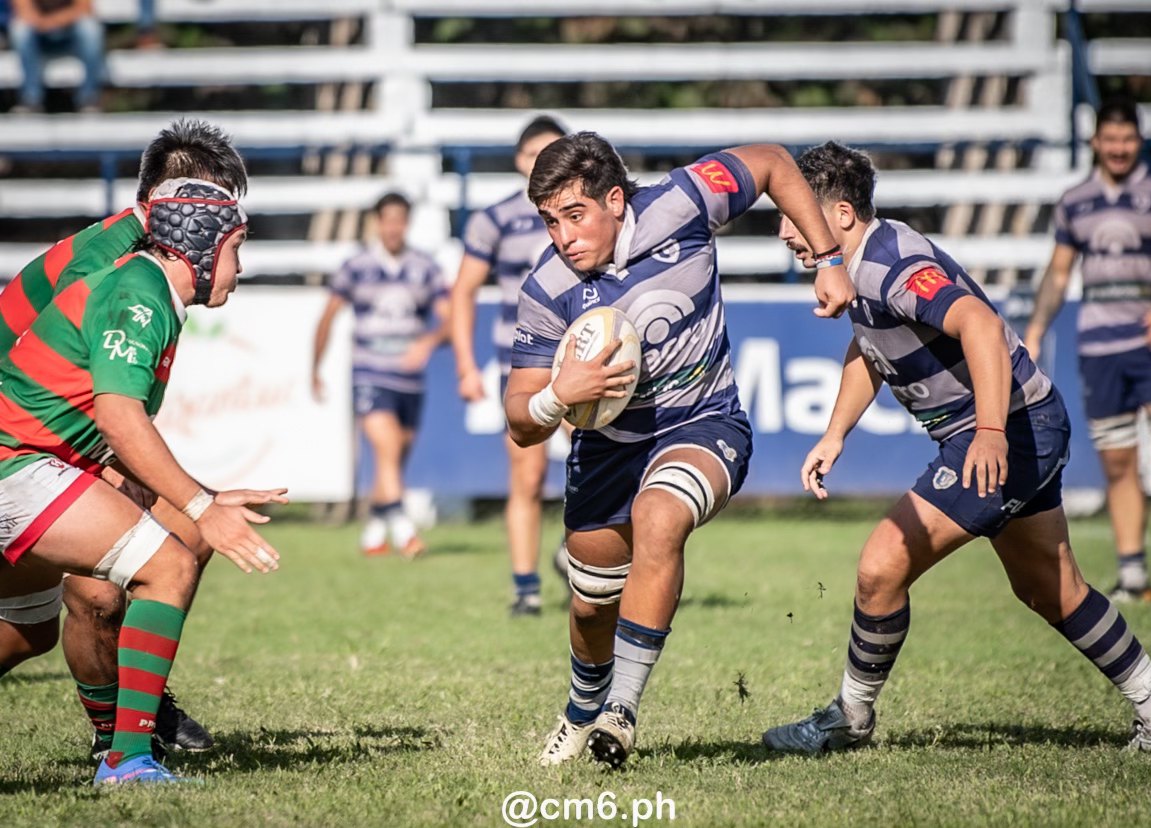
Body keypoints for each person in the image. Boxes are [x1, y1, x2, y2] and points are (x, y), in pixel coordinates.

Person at [762, 141, 1151, 756]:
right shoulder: (860, 261)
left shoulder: (889, 267)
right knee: (1049, 588)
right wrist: (835, 433)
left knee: (881, 567)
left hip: (1007, 429)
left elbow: (980, 325)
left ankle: (849, 717)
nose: (783, 233)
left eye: (793, 217)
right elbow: (870, 349)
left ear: (841, 215)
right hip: (1024, 421)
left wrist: (987, 434)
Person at [506, 131, 855, 769]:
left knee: (660, 517)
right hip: (608, 450)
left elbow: (775, 162)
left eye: (575, 216)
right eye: (550, 221)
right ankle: (584, 707)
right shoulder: (546, 287)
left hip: (705, 421)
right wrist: (560, 394)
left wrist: (830, 258)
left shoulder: (685, 199)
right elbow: (518, 419)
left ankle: (621, 711)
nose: (562, 236)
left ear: (615, 199)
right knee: (589, 605)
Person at [0, 177, 288, 785]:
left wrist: (203, 492)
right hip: (16, 464)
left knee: (26, 634)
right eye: (236, 248)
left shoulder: (146, 287)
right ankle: (127, 759)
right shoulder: (142, 294)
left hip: (23, 461)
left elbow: (103, 425)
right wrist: (200, 506)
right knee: (171, 567)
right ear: (202, 248)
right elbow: (119, 417)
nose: (240, 266)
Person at [1023, 97, 1151, 603]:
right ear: (1096, 142)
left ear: (1139, 140)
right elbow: (1060, 271)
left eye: (1128, 139)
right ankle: (1133, 574)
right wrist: (1038, 326)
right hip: (1099, 347)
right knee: (1117, 463)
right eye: (1110, 140)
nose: (1118, 148)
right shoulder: (1075, 200)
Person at [451, 115, 568, 617]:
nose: (541, 163)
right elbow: (462, 292)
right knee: (528, 473)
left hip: (586, 355)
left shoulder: (585, 215)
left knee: (609, 463)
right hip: (521, 361)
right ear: (520, 161)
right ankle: (526, 587)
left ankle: (578, 555)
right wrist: (464, 365)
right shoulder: (495, 218)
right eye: (533, 154)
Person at [312, 192, 451, 559]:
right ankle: (405, 530)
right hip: (369, 373)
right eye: (387, 219)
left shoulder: (425, 267)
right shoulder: (356, 266)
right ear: (377, 222)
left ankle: (374, 530)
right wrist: (315, 368)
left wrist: (429, 341)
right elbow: (328, 316)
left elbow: (452, 320)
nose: (393, 227)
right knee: (387, 449)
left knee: (396, 457)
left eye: (400, 220)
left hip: (409, 379)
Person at [8, 0, 106, 113]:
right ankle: (31, 99)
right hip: (38, 35)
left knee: (90, 28)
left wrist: (53, 21)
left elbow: (85, 9)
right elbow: (24, 12)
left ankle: (89, 99)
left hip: (70, 34)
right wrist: (44, 23)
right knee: (20, 30)